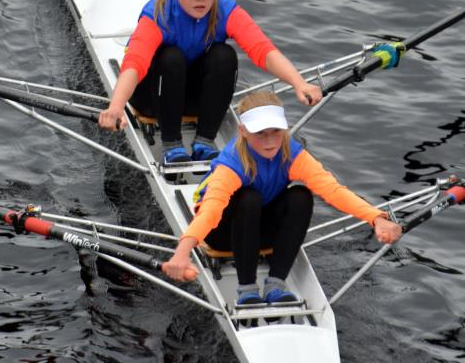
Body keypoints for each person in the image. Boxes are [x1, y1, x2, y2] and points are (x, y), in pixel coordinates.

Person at [162, 91, 402, 306]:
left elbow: (333, 190)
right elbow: (211, 211)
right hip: (221, 234)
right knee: (248, 198)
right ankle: (247, 290)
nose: (270, 142)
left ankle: (276, 283)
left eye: (276, 132)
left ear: (284, 129)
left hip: (258, 228)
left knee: (301, 196)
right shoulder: (231, 164)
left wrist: (376, 218)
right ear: (243, 131)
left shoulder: (292, 153)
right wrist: (183, 252)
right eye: (260, 134)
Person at [98, 0, 322, 164]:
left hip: (191, 99)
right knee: (171, 57)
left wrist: (299, 83)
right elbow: (134, 65)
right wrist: (116, 107)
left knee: (224, 55)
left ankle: (205, 141)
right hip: (151, 98)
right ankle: (171, 145)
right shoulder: (158, 14)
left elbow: (264, 50)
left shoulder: (225, 10)